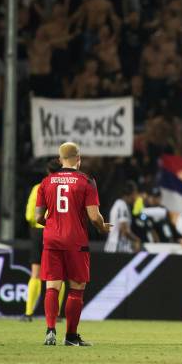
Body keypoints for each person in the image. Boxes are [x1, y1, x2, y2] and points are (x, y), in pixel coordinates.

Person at [35, 142, 111, 346]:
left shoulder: (46, 181)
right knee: (76, 288)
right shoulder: (86, 181)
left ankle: (50, 330)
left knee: (52, 286)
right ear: (79, 159)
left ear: (60, 160)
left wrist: (50, 224)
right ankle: (70, 336)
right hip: (76, 241)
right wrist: (102, 227)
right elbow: (94, 216)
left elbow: (38, 217)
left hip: (51, 239)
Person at [22, 160, 64, 322]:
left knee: (36, 273)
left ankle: (28, 313)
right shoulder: (66, 189)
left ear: (47, 171)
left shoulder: (38, 188)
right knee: (59, 274)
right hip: (58, 232)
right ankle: (57, 314)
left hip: (39, 232)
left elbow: (29, 216)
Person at [104, 181, 142, 253]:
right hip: (116, 248)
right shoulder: (121, 205)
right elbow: (124, 230)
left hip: (115, 246)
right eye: (136, 193)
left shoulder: (121, 204)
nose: (136, 196)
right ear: (132, 193)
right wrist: (137, 240)